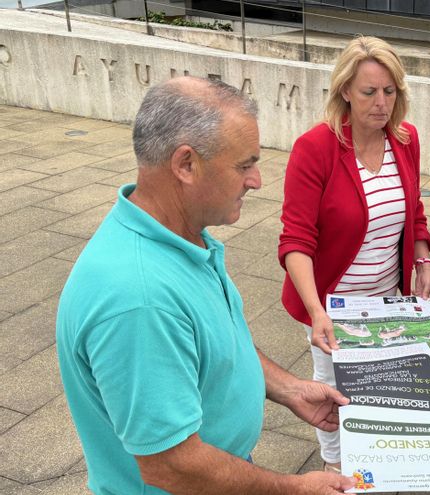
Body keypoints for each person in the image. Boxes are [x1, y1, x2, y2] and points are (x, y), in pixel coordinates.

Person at [56, 76, 354, 495]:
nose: (257, 180)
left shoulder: (180, 238)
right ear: (186, 164)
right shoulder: (141, 299)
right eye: (244, 164)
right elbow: (172, 466)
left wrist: (289, 389)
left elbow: (214, 345)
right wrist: (294, 488)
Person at [278, 36, 430, 473]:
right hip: (334, 305)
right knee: (333, 394)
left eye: (390, 91)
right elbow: (296, 240)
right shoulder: (316, 148)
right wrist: (316, 311)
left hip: (388, 301)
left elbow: (414, 209)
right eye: (369, 92)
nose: (381, 103)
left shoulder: (406, 140)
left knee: (387, 393)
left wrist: (423, 262)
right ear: (345, 90)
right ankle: (334, 467)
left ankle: (380, 467)